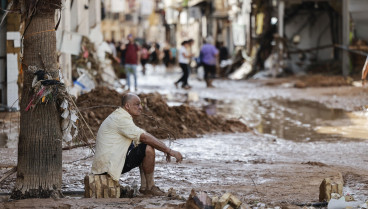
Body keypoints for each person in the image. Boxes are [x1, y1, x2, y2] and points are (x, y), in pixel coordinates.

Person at [91, 93, 183, 196]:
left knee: (141, 144)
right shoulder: (121, 119)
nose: (141, 108)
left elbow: (141, 137)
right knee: (147, 147)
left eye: (141, 104)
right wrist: (169, 151)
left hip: (105, 165)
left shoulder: (120, 116)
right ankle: (150, 187)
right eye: (137, 104)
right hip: (107, 167)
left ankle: (144, 187)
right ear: (127, 106)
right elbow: (144, 137)